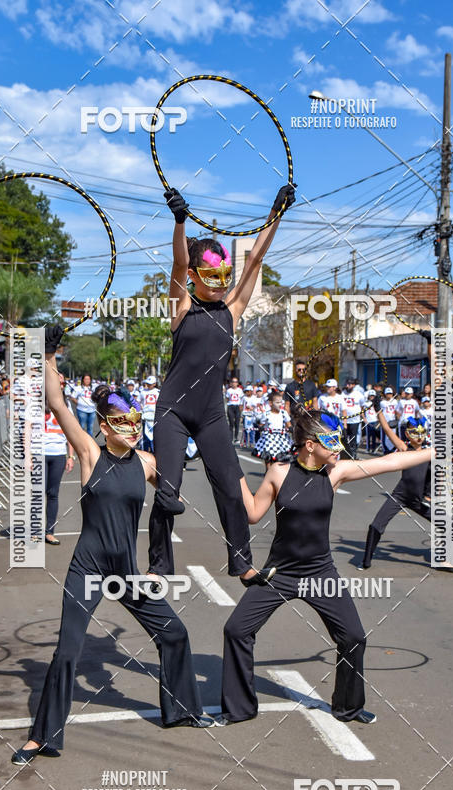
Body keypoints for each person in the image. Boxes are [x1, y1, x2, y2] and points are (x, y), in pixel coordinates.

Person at [12, 326, 212, 765]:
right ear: (104, 427)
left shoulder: (146, 463)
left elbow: (182, 478)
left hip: (125, 571)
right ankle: (41, 737)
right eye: (122, 424)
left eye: (136, 423)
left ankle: (182, 710)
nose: (133, 431)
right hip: (88, 567)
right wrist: (48, 356)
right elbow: (58, 403)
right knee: (67, 652)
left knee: (174, 633)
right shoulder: (88, 453)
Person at [218, 409, 434, 726]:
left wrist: (439, 447)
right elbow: (252, 513)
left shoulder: (335, 473)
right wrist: (232, 472)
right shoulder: (278, 473)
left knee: (353, 637)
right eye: (331, 441)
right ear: (309, 444)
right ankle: (239, 707)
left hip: (320, 573)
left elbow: (392, 462)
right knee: (236, 630)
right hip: (281, 573)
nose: (338, 447)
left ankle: (348, 707)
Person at [148, 183, 295, 583]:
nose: (221, 281)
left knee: (232, 488)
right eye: (211, 275)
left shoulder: (233, 309)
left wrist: (275, 213)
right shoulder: (182, 307)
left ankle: (242, 564)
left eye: (225, 274)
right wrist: (179, 221)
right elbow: (178, 265)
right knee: (168, 491)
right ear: (196, 277)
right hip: (174, 410)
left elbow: (258, 257)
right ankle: (159, 566)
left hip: (212, 414)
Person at [359, 417, 431, 569]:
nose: (418, 437)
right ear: (407, 434)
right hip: (400, 496)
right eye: (414, 433)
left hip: (418, 499)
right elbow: (387, 430)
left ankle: (448, 558)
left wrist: (428, 495)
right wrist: (379, 412)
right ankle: (366, 560)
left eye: (421, 433)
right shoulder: (405, 449)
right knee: (375, 526)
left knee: (451, 524)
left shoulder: (428, 453)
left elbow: (435, 475)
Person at [44, 372, 76, 546]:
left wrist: (70, 455)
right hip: (39, 452)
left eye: (62, 384)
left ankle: (49, 531)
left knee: (53, 494)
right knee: (37, 494)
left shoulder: (66, 405)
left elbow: (70, 432)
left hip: (58, 453)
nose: (61, 386)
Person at [252, 390, 292, 468]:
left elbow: (289, 424)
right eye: (277, 402)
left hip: (280, 438)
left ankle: (277, 472)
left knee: (280, 458)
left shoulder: (284, 413)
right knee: (268, 457)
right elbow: (261, 425)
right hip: (269, 438)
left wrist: (291, 428)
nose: (280, 404)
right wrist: (261, 427)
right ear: (270, 403)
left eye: (281, 402)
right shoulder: (266, 414)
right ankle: (268, 471)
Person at [340, 377, 365, 460]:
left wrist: (363, 417)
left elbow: (362, 406)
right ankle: (344, 454)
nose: (348, 386)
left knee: (353, 438)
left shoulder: (358, 394)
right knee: (343, 437)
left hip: (355, 420)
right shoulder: (342, 393)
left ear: (353, 385)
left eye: (350, 384)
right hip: (344, 420)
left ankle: (353, 453)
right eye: (347, 384)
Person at [139, 375, 159, 452]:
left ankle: (155, 454)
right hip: (145, 418)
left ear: (154, 384)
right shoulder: (143, 392)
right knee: (145, 438)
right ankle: (145, 453)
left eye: (150, 383)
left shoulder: (158, 392)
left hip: (155, 418)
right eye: (148, 383)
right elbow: (139, 402)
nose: (149, 385)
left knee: (154, 438)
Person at [380, 387, 399, 454]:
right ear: (385, 394)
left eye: (390, 394)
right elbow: (380, 412)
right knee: (384, 436)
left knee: (393, 436)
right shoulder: (382, 402)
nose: (389, 395)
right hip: (384, 421)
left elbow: (397, 411)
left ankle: (393, 449)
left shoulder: (395, 402)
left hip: (392, 422)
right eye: (387, 394)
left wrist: (397, 419)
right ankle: (385, 450)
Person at [226, 376, 244, 444]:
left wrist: (241, 407)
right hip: (231, 406)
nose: (234, 383)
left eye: (236, 382)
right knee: (231, 423)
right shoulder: (229, 390)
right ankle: (230, 438)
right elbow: (227, 399)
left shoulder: (240, 390)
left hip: (237, 407)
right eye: (233, 382)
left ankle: (236, 438)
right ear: (231, 383)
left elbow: (242, 399)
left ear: (237, 383)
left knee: (237, 423)